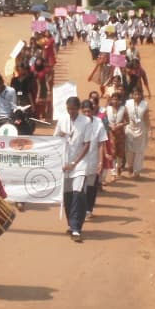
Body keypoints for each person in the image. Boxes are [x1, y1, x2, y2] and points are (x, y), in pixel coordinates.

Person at [53, 96, 90, 242]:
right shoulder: (63, 119)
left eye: (74, 109)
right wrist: (60, 135)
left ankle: (76, 228)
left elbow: (87, 144)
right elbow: (54, 139)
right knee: (68, 196)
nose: (71, 112)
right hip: (64, 164)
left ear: (78, 108)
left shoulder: (86, 122)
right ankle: (73, 223)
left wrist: (74, 163)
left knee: (78, 194)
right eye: (69, 109)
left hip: (79, 164)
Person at [81, 99, 107, 219]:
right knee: (80, 187)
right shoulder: (77, 123)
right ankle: (80, 209)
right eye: (84, 111)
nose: (87, 114)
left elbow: (101, 144)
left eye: (89, 111)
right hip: (79, 161)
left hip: (93, 160)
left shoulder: (98, 123)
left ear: (93, 111)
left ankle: (88, 209)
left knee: (91, 187)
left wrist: (101, 162)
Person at [124, 87, 150, 178]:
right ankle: (130, 166)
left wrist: (149, 129)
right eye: (135, 94)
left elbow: (146, 118)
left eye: (139, 94)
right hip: (130, 129)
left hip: (141, 129)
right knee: (129, 150)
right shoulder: (128, 103)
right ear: (132, 95)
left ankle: (137, 170)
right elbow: (125, 116)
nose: (137, 96)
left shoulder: (145, 104)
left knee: (139, 151)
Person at [106, 92, 127, 179]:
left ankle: (118, 167)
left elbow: (127, 121)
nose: (115, 101)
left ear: (120, 101)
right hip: (111, 134)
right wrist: (109, 125)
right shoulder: (107, 109)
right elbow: (104, 121)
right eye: (113, 99)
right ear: (111, 100)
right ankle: (113, 172)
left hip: (120, 134)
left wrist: (120, 125)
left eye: (117, 99)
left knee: (120, 152)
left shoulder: (123, 109)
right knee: (112, 152)